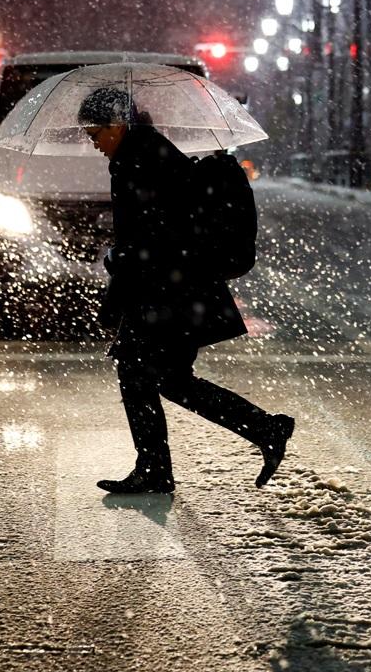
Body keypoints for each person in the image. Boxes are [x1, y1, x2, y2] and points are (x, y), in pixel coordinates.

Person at [78, 86, 294, 495]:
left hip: (169, 291)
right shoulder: (145, 152)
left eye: (95, 133)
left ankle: (159, 467)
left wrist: (120, 257)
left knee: (143, 374)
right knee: (164, 378)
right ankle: (260, 430)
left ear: (117, 124)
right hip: (175, 287)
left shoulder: (139, 159)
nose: (94, 143)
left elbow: (159, 232)